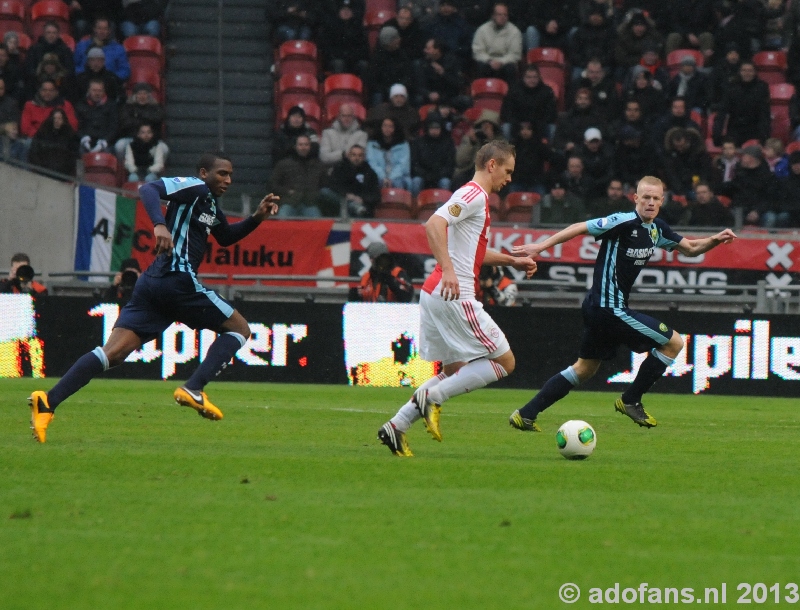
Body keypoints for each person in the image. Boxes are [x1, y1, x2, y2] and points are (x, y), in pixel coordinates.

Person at [26, 152, 281, 443]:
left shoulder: (207, 202)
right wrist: (159, 223)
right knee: (240, 329)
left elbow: (225, 237)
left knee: (114, 353)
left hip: (154, 283)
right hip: (177, 278)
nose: (228, 180)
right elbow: (149, 189)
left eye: (230, 175)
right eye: (222, 173)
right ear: (203, 173)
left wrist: (257, 218)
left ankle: (48, 401)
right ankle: (194, 388)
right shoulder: (194, 187)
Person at [509, 176, 737, 433]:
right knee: (673, 342)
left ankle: (525, 414)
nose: (650, 202)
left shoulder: (657, 229)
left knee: (583, 369)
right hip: (608, 308)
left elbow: (691, 249)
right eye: (645, 197)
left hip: (600, 307)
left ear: (662, 201)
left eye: (655, 198)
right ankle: (630, 399)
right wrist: (541, 246)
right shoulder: (622, 221)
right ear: (635, 199)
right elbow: (580, 227)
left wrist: (716, 240)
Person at [377, 140, 537, 457]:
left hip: (436, 294)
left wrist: (512, 261)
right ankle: (433, 399)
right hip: (454, 293)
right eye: (507, 171)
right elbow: (433, 224)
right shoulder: (473, 195)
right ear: (492, 165)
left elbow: (473, 254)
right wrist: (449, 270)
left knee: (453, 370)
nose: (508, 179)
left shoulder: (476, 199)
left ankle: (395, 427)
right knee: (505, 362)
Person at [713, 62, 771, 147]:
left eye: (750, 71)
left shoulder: (762, 88)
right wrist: (717, 135)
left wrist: (764, 138)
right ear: (739, 72)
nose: (747, 73)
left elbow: (764, 114)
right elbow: (722, 113)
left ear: (755, 72)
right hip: (735, 129)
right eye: (744, 70)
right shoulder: (731, 87)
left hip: (754, 129)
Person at [271, 134, 329, 217]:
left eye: (306, 144)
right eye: (301, 145)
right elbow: (272, 185)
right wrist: (287, 191)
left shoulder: (318, 165)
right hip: (289, 202)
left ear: (310, 146)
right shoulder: (284, 164)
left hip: (310, 204)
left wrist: (315, 194)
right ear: (295, 146)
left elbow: (325, 185)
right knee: (282, 222)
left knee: (318, 225)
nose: (303, 147)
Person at [321, 143, 381, 217]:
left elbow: (376, 195)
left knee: (349, 211)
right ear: (348, 156)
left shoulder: (370, 173)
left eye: (360, 155)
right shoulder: (340, 168)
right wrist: (346, 194)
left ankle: (354, 207)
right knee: (325, 192)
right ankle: (353, 206)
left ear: (364, 157)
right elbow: (331, 184)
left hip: (361, 204)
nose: (356, 158)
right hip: (341, 199)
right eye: (354, 155)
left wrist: (361, 199)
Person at [471, 2, 522, 83]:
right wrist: (490, 61)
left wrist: (501, 62)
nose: (502, 17)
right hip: (488, 63)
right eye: (499, 14)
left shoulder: (514, 32)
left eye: (505, 15)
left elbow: (515, 54)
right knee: (480, 66)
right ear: (493, 16)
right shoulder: (482, 30)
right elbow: (478, 52)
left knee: (510, 68)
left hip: (505, 64)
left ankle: (511, 95)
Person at [115, 82, 166, 161]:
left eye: (145, 94)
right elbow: (126, 123)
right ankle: (124, 168)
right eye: (139, 94)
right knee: (119, 146)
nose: (142, 96)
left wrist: (138, 115)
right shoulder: (127, 107)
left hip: (151, 140)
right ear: (135, 95)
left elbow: (158, 119)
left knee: (164, 149)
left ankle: (155, 170)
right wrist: (145, 122)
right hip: (131, 138)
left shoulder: (156, 107)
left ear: (149, 95)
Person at [411, 112, 456, 195]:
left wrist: (438, 175)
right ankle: (415, 206)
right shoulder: (418, 142)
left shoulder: (448, 142)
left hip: (441, 176)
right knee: (416, 182)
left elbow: (450, 164)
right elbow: (414, 163)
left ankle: (444, 206)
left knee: (445, 183)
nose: (434, 130)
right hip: (422, 175)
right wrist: (425, 175)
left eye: (437, 128)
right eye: (432, 128)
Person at [74, 17, 131, 82]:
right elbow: (74, 66)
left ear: (109, 31)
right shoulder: (82, 46)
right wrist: (85, 74)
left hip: (109, 83)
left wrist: (111, 78)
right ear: (94, 29)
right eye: (99, 28)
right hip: (85, 82)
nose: (102, 31)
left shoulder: (118, 49)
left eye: (105, 29)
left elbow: (125, 70)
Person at [365, 116, 413, 192]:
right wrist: (383, 177)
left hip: (398, 176)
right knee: (374, 181)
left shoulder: (403, 145)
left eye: (390, 126)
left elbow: (403, 165)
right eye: (385, 126)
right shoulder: (372, 144)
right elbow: (372, 162)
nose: (387, 128)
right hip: (378, 175)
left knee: (397, 183)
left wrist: (391, 178)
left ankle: (398, 203)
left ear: (395, 128)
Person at [28, 107, 80, 176]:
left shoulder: (70, 135)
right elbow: (34, 150)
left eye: (59, 119)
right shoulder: (42, 132)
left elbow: (73, 156)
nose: (56, 121)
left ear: (64, 120)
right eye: (55, 118)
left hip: (62, 174)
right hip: (42, 171)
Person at [24, 21, 75, 86]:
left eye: (54, 33)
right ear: (44, 34)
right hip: (38, 83)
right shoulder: (34, 49)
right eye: (48, 32)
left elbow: (69, 70)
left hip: (60, 84)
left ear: (58, 34)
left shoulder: (65, 50)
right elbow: (29, 69)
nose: (51, 35)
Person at [319, 103, 368, 167]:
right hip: (332, 172)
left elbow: (360, 157)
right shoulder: (327, 133)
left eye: (349, 116)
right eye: (344, 116)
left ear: (353, 117)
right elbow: (324, 157)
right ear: (338, 116)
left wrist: (334, 156)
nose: (346, 119)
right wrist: (343, 154)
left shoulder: (362, 135)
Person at [76, 78, 118, 153]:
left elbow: (114, 127)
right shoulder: (81, 104)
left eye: (99, 90)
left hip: (105, 142)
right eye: (94, 90)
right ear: (89, 91)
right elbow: (77, 125)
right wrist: (83, 138)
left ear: (104, 91)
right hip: (87, 140)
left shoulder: (111, 106)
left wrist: (105, 141)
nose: (97, 93)